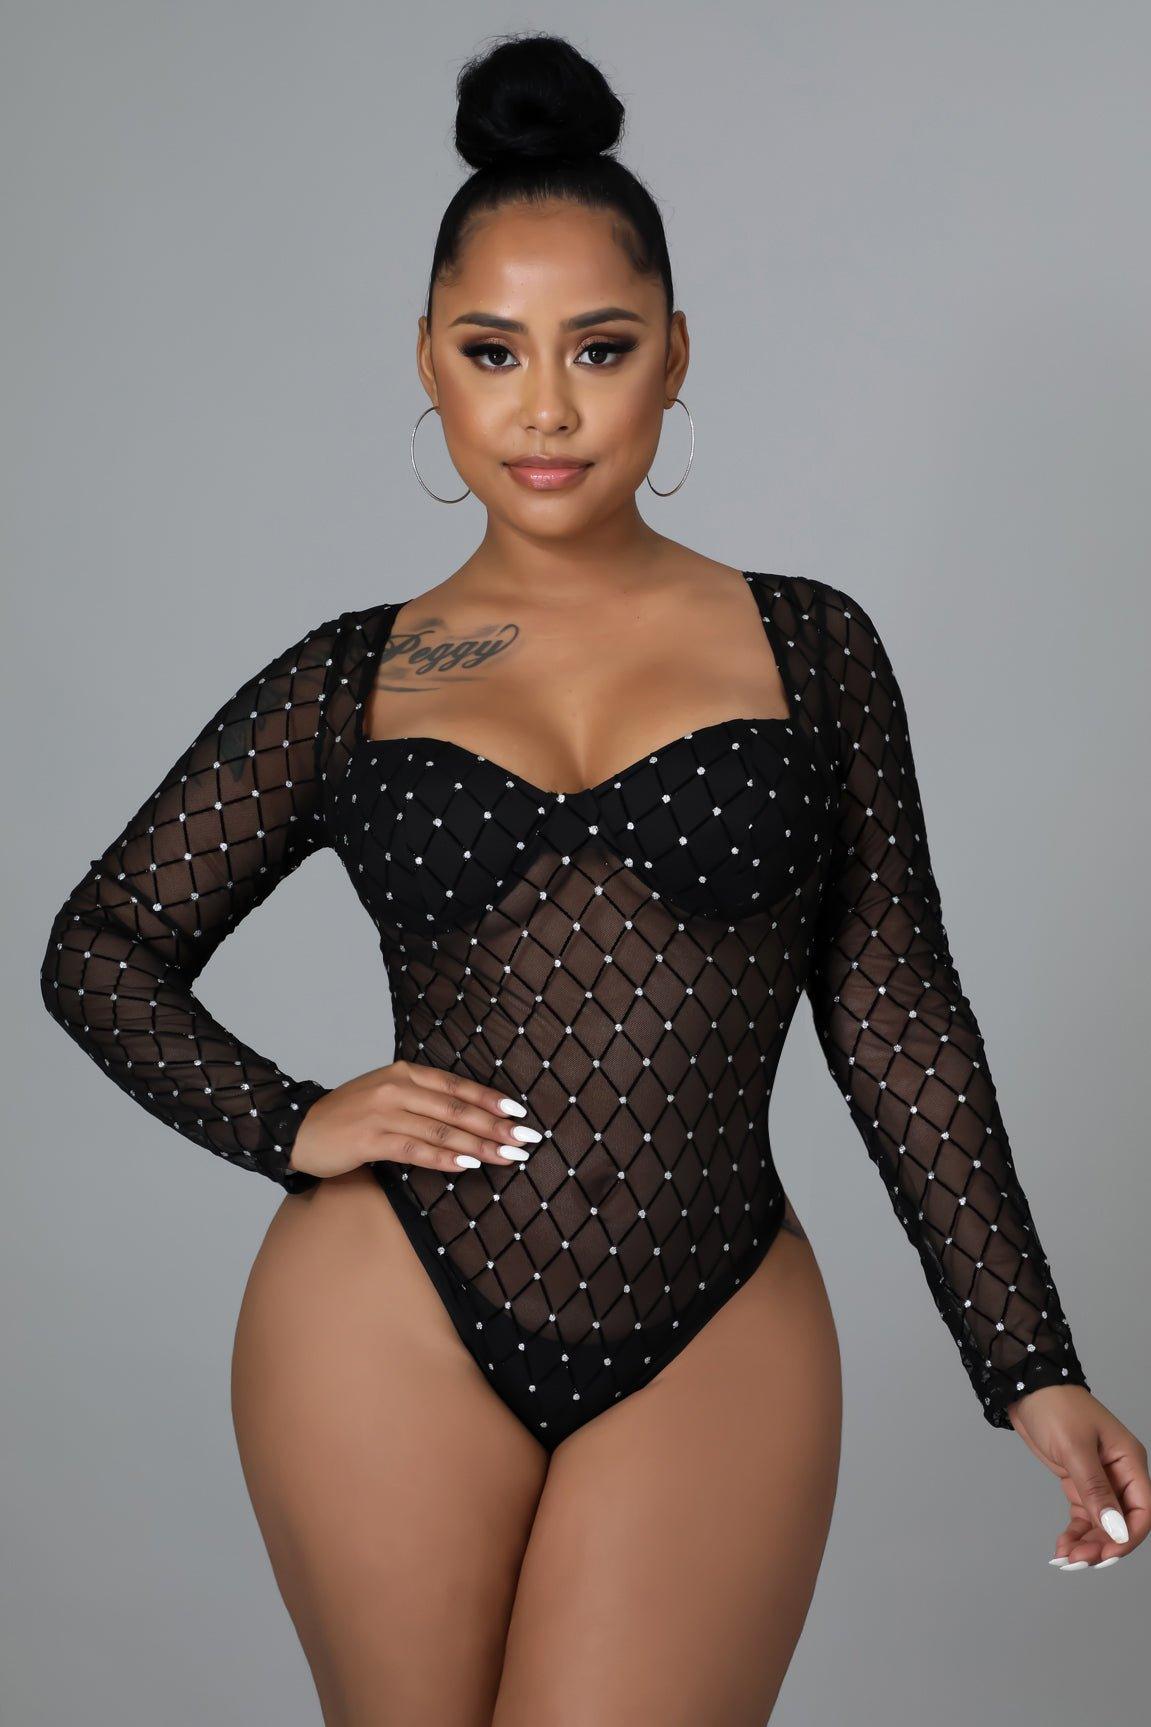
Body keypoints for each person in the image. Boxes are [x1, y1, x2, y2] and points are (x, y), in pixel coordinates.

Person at [39, 29, 1147, 1727]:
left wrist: (1030, 1364)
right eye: (492, 351)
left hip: (718, 1315)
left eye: (600, 349)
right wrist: (290, 1121)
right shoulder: (354, 678)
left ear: (674, 356)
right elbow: (101, 945)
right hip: (387, 1305)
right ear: (428, 359)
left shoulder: (811, 650)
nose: (545, 409)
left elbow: (895, 1012)